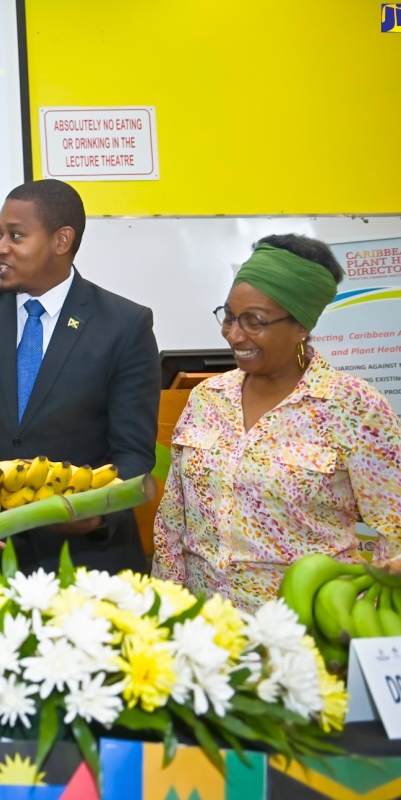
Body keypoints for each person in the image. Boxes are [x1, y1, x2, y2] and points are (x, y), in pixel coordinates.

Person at [152, 235, 401, 611]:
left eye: (255, 321)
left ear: (301, 325)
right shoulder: (207, 397)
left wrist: (370, 624)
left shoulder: (354, 408)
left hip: (308, 628)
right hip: (207, 630)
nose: (234, 335)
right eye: (230, 317)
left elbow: (393, 529)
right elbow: (173, 519)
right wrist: (165, 608)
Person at [0, 179, 160, 575]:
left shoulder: (125, 324)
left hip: (87, 559)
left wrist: (93, 515)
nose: (0, 248)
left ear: (61, 240)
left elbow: (133, 452)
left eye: (16, 236)